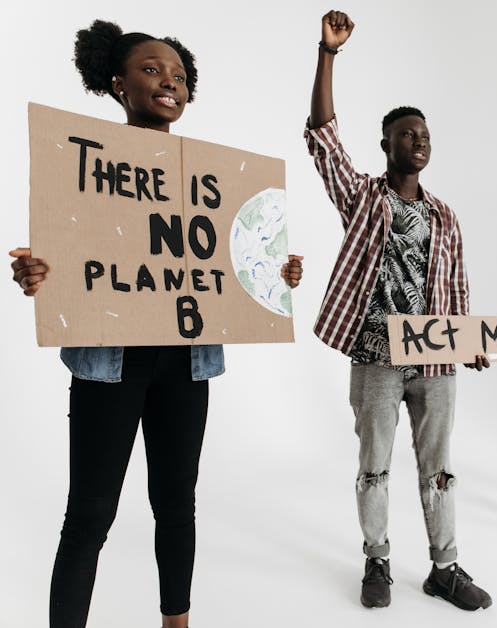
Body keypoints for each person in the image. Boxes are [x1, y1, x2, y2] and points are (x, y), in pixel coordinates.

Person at [9, 20, 303, 628]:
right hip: (110, 363)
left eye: (179, 76)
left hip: (186, 362)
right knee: (89, 513)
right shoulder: (84, 165)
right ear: (118, 83)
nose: (168, 82)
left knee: (176, 506)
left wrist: (274, 272)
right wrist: (40, 273)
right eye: (150, 69)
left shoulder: (214, 182)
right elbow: (68, 255)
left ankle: (177, 622)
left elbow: (228, 261)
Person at [304, 9, 491, 612]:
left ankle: (445, 568)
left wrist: (470, 340)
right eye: (408, 133)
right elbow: (322, 136)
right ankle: (378, 559)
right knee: (375, 466)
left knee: (438, 468)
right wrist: (328, 53)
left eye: (425, 134)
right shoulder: (362, 197)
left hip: (434, 362)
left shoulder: (445, 216)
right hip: (375, 358)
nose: (419, 140)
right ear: (386, 144)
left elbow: (457, 289)